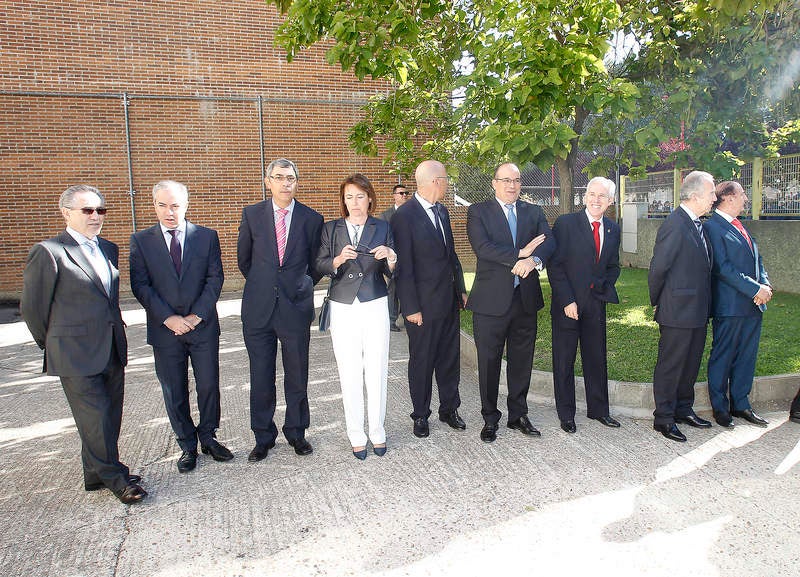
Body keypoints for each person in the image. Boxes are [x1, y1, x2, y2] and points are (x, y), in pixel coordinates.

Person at [21, 185, 146, 504]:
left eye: (100, 210)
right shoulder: (49, 251)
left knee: (110, 415)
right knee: (96, 417)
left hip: (111, 347)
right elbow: (33, 308)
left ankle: (94, 474)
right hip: (74, 353)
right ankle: (117, 479)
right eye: (87, 210)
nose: (95, 216)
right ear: (66, 213)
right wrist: (54, 343)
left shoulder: (108, 248)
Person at [129, 180, 233, 473]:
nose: (169, 212)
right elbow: (140, 285)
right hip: (165, 331)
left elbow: (215, 278)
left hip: (202, 327)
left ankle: (209, 437)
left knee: (208, 385)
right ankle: (187, 445)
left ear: (186, 205)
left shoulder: (206, 237)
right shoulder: (141, 240)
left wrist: (197, 315)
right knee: (174, 390)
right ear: (154, 205)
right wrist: (168, 318)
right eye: (162, 205)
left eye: (175, 205)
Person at [238, 159, 324, 461]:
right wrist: (266, 285)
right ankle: (263, 437)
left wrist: (299, 285)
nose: (285, 183)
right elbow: (244, 260)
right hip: (259, 309)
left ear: (296, 182)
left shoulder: (312, 219)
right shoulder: (252, 215)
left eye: (290, 178)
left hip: (295, 309)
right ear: (268, 182)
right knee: (261, 376)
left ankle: (297, 432)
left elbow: (316, 264)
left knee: (297, 375)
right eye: (279, 177)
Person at [466, 162, 555, 443]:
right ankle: (490, 418)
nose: (511, 185)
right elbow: (483, 248)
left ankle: (518, 415)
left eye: (516, 180)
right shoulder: (478, 211)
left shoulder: (534, 211)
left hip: (524, 301)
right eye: (505, 180)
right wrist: (520, 253)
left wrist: (533, 260)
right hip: (490, 303)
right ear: (494, 183)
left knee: (521, 361)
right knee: (489, 362)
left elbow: (549, 242)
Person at [315, 174, 397, 459]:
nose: (354, 202)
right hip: (343, 305)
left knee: (377, 368)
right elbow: (319, 264)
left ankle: (377, 430)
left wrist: (390, 256)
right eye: (349, 197)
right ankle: (356, 433)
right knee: (349, 370)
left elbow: (392, 271)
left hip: (374, 301)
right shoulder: (331, 228)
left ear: (370, 198)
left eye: (360, 196)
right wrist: (338, 260)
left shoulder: (382, 226)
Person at [391, 160, 467, 438]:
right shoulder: (405, 215)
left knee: (449, 359)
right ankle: (421, 414)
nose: (447, 183)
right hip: (421, 306)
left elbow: (450, 254)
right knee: (422, 361)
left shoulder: (442, 211)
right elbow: (403, 267)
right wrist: (410, 307)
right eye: (446, 179)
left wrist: (460, 289)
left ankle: (449, 409)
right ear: (436, 181)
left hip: (447, 301)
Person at [549, 177, 621, 434]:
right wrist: (567, 300)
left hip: (595, 304)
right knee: (564, 361)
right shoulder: (566, 223)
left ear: (610, 201)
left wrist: (602, 288)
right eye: (592, 194)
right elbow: (555, 265)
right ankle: (566, 414)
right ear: (585, 195)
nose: (595, 200)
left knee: (596, 358)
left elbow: (613, 266)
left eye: (602, 196)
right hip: (567, 306)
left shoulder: (613, 229)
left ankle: (599, 410)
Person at [648, 171, 717, 442]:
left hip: (698, 309)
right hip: (677, 310)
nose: (714, 198)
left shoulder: (698, 224)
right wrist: (659, 303)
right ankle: (664, 418)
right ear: (695, 195)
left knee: (690, 364)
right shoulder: (675, 224)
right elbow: (658, 269)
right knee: (671, 365)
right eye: (711, 193)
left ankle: (683, 409)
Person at [704, 181, 772, 428]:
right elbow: (723, 268)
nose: (746, 198)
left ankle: (741, 404)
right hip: (730, 306)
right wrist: (755, 289)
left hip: (753, 305)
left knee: (746, 357)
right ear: (729, 197)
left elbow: (757, 260)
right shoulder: (712, 227)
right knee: (723, 356)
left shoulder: (740, 225)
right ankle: (720, 408)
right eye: (743, 194)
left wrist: (765, 286)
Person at [379, 183, 409, 331]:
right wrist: (389, 258)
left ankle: (407, 316)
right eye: (401, 193)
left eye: (406, 193)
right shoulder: (386, 215)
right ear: (394, 196)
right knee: (393, 289)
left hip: (409, 258)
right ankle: (391, 320)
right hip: (393, 259)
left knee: (408, 287)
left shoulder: (412, 213)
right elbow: (383, 238)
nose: (404, 196)